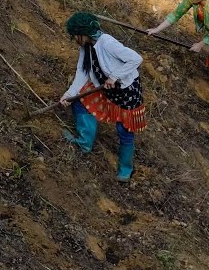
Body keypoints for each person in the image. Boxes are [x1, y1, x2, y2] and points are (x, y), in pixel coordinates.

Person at [60, 13, 146, 182]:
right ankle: (84, 143)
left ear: (83, 34)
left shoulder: (107, 43)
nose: (74, 39)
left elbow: (136, 58)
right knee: (79, 102)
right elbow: (82, 72)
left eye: (75, 36)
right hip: (104, 86)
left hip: (126, 92)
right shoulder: (86, 46)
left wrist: (114, 77)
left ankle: (125, 169)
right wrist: (69, 94)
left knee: (125, 130)